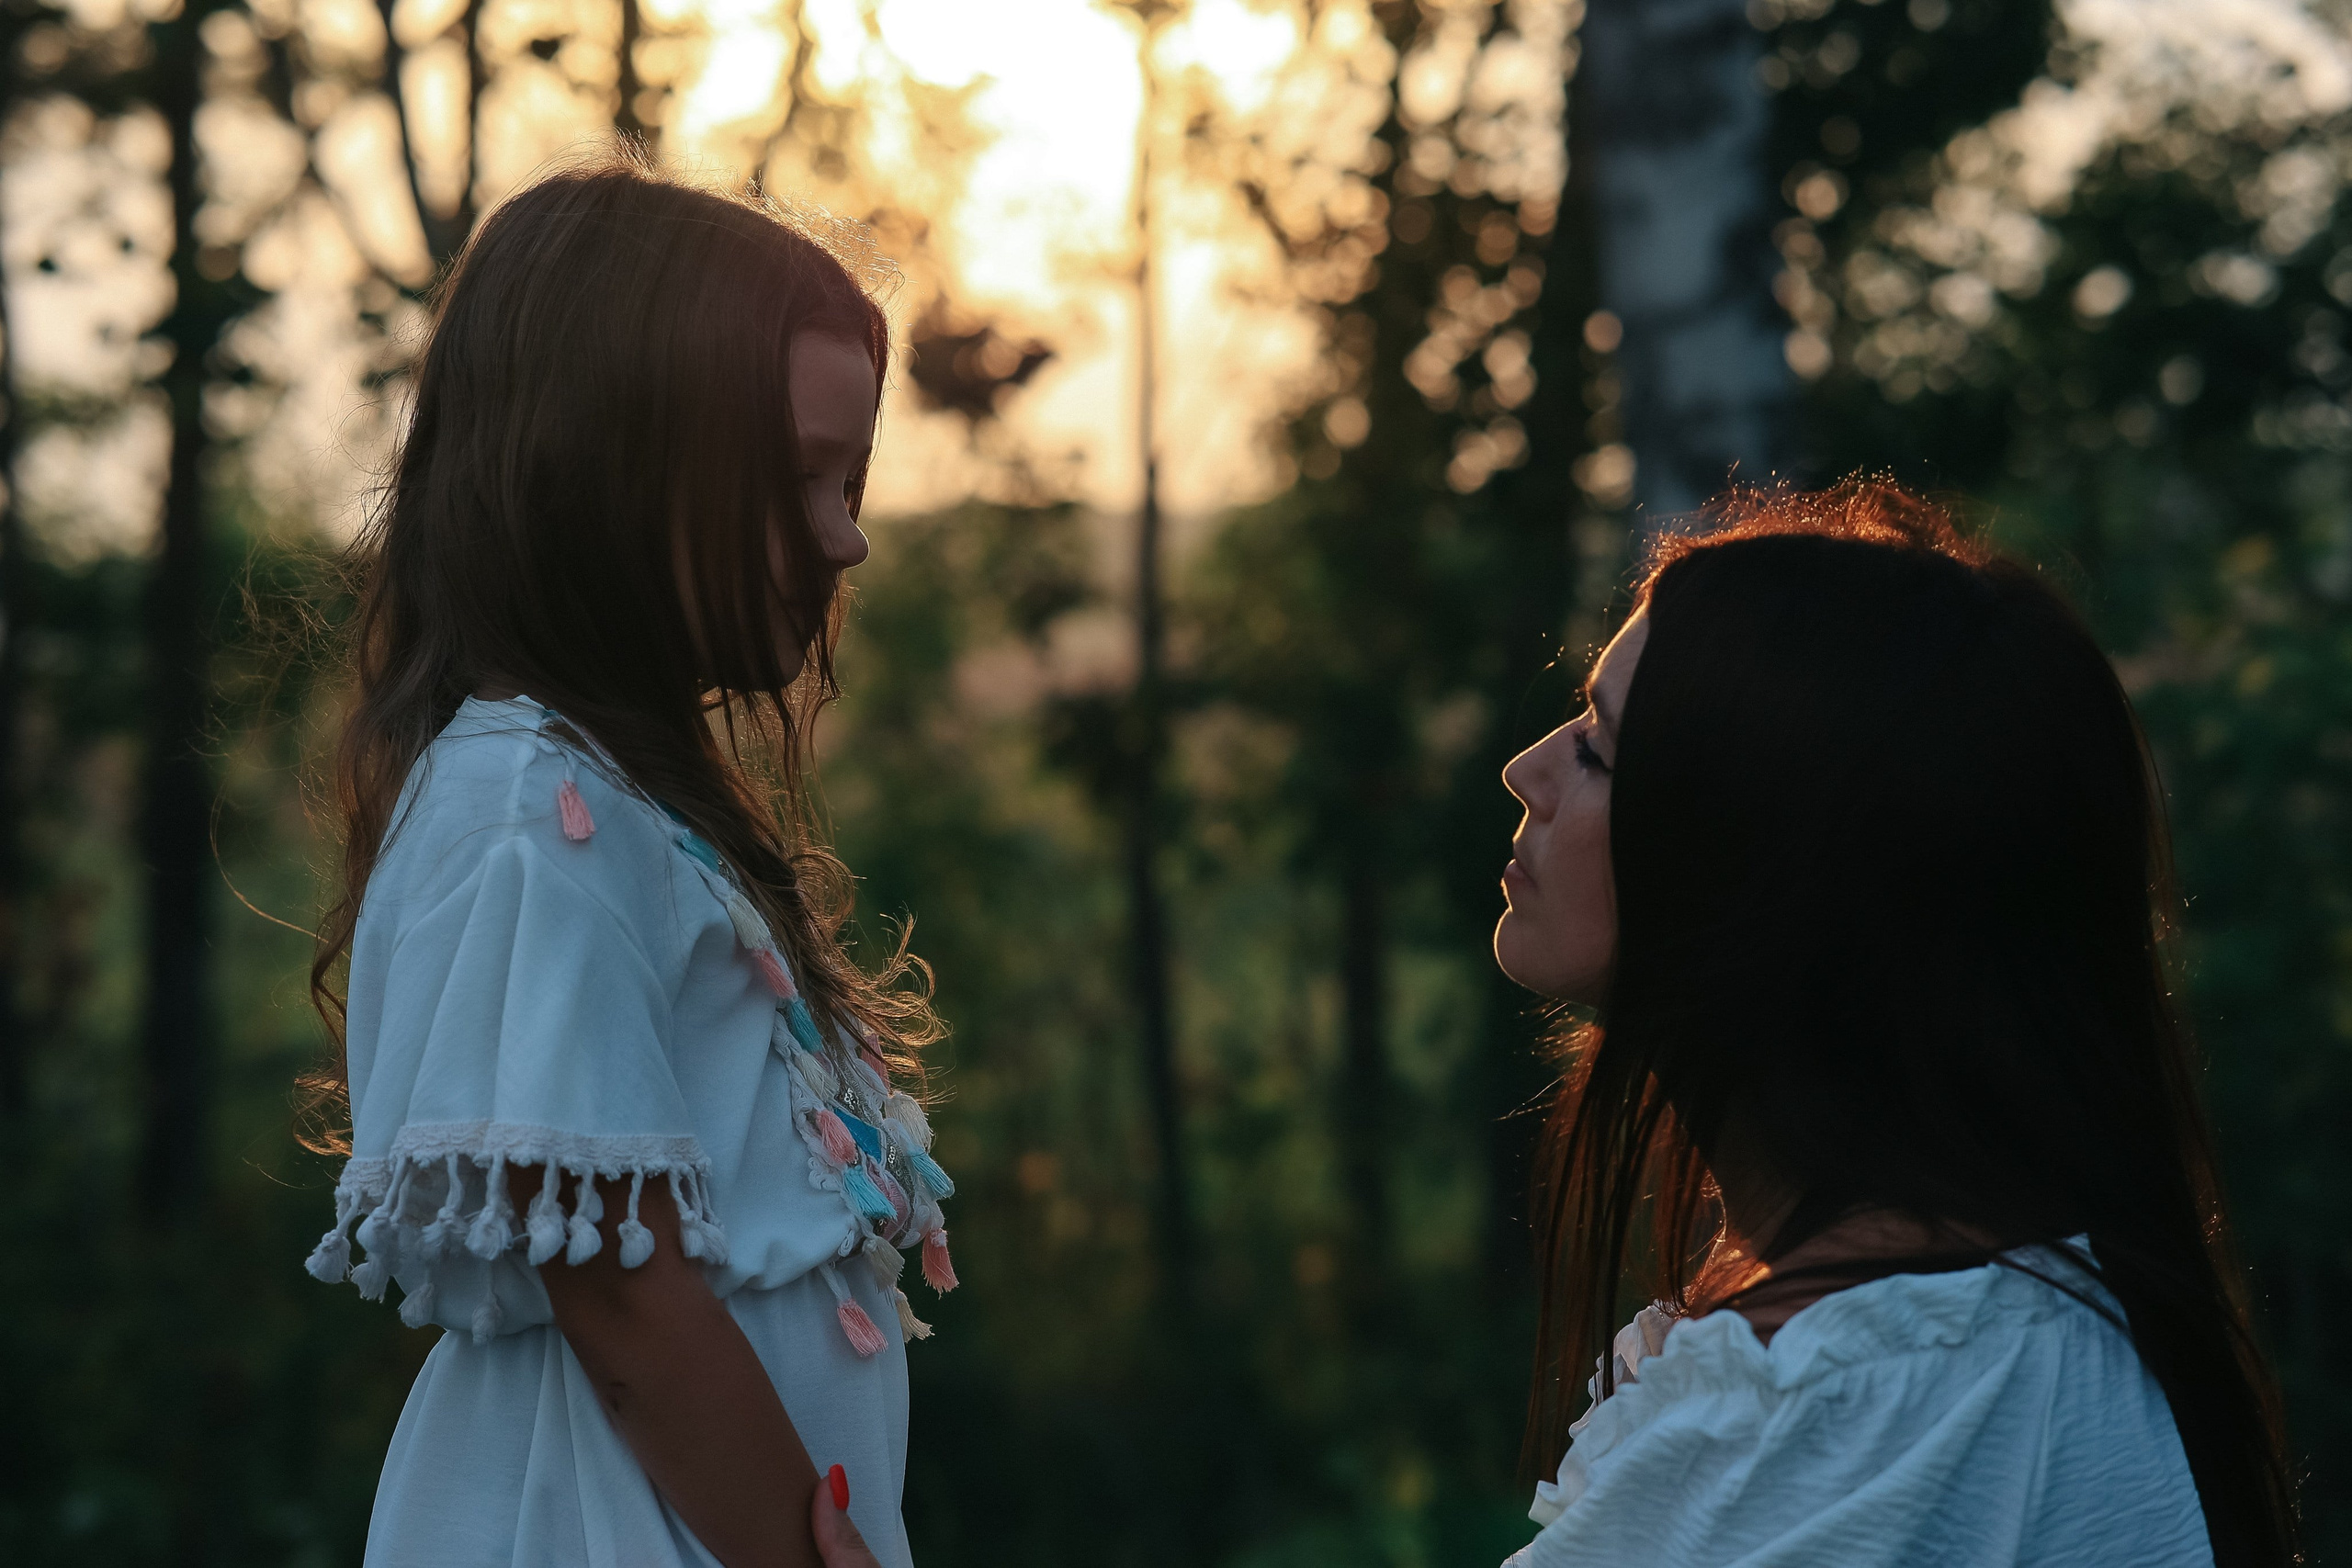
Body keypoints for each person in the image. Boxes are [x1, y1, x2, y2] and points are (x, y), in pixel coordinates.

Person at [299, 152, 955, 1568]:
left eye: (856, 480)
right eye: (797, 480)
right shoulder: (529, 807)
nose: (844, 538)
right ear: (603, 466)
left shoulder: (618, 800)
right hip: (600, 1523)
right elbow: (623, 1293)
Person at [1487, 479, 2297, 1566]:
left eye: (1595, 749)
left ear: (1765, 866)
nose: (1525, 770)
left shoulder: (1856, 1416)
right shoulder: (1982, 1330)